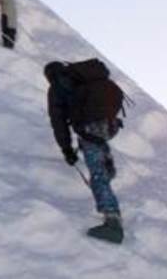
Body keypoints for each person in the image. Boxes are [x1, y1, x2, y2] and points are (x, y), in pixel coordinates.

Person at [45, 60, 126, 243]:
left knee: (97, 172)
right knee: (95, 143)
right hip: (110, 123)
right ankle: (107, 164)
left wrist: (67, 150)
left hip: (91, 127)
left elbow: (58, 122)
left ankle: (112, 222)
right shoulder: (85, 75)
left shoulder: (57, 87)